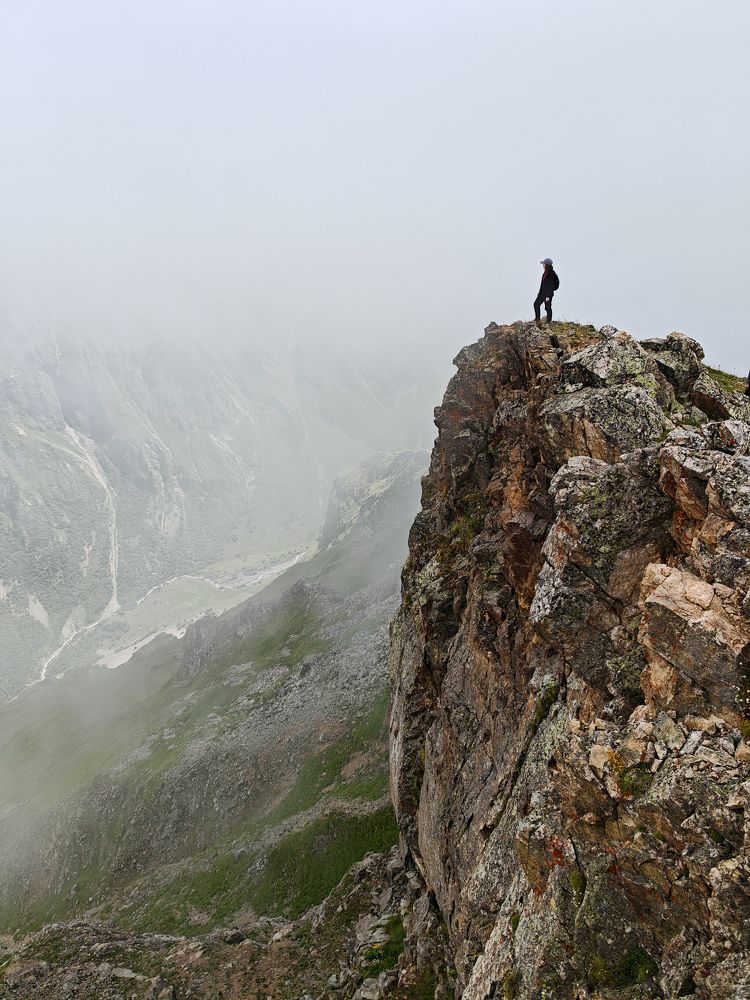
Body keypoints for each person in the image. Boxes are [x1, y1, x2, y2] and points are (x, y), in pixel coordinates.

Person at [534, 257, 559, 324]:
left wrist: (548, 296)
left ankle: (548, 320)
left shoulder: (551, 274)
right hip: (542, 293)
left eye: (544, 264)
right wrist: (539, 293)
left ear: (546, 265)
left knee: (547, 307)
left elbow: (550, 286)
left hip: (548, 294)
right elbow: (542, 285)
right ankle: (537, 319)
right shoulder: (545, 273)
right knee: (536, 304)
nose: (543, 265)